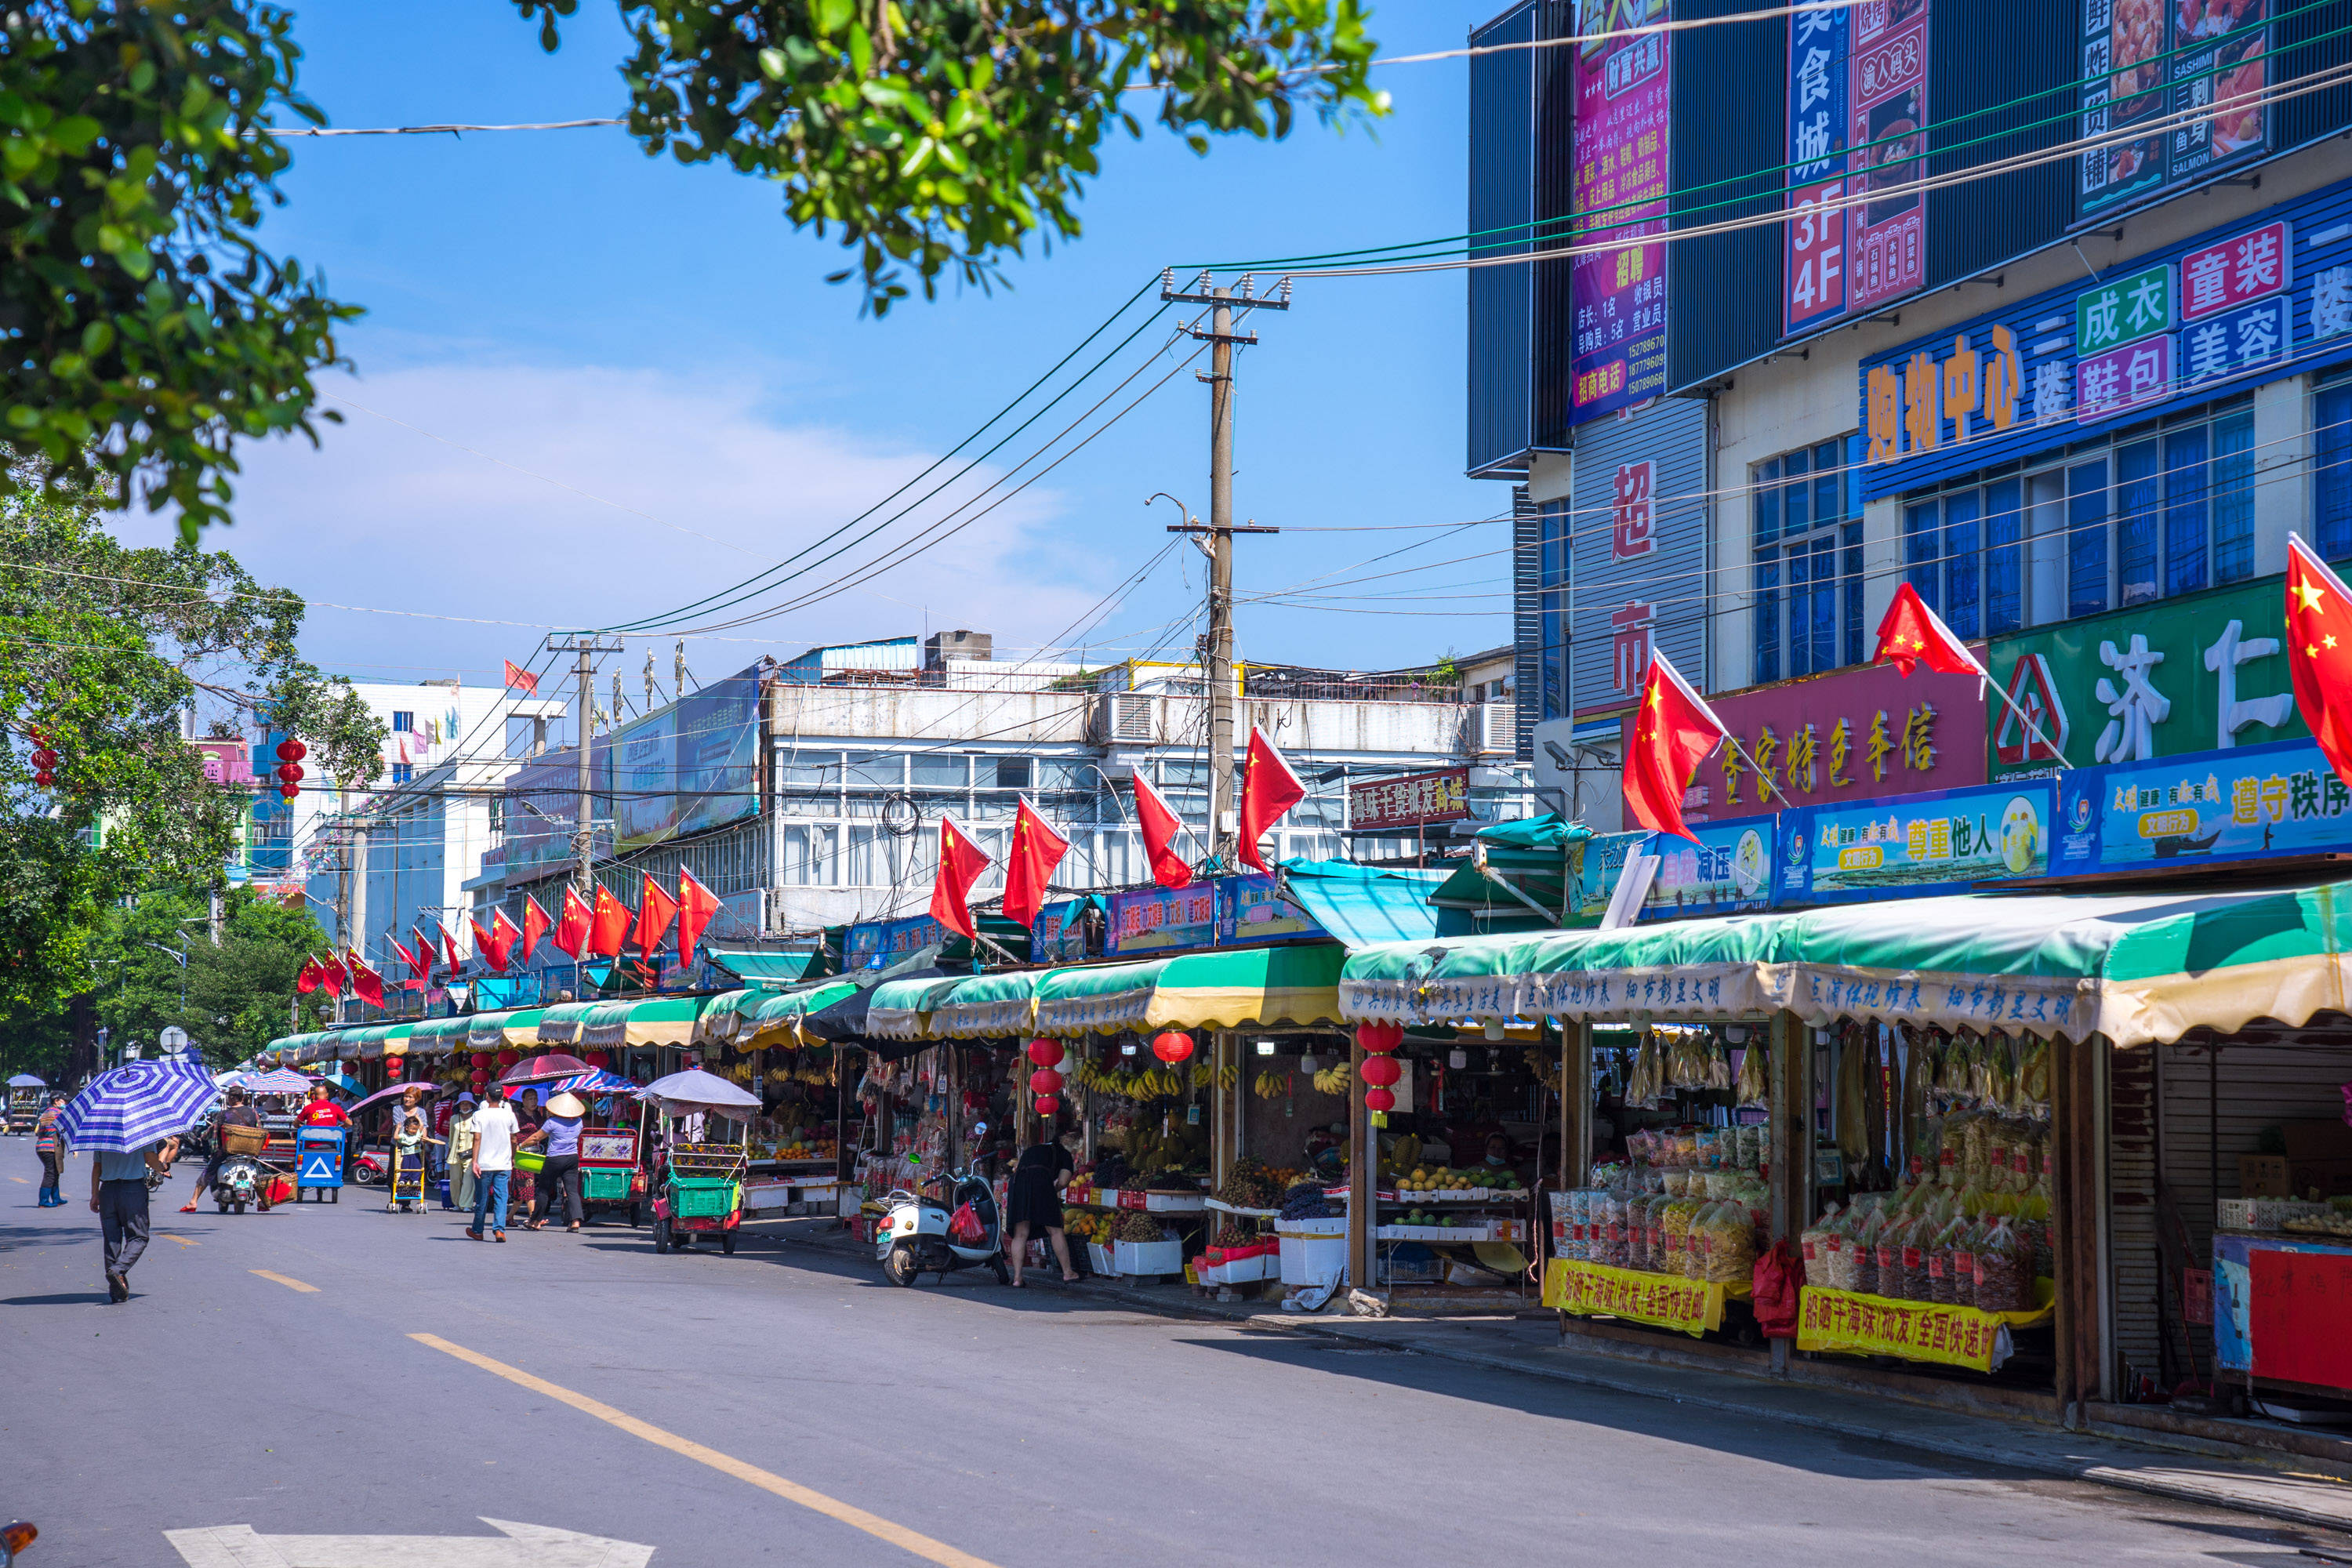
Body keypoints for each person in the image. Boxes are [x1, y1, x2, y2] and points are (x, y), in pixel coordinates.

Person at [90, 1133, 177, 1302]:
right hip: (133, 1190)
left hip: (107, 1190)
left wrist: (95, 1194)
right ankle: (118, 1270)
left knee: (112, 1240)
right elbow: (151, 1159)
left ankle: (117, 1291)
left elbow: (97, 1168)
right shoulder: (141, 1133)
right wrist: (162, 1167)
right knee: (139, 1237)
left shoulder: (102, 1136)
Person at [1003, 1124, 1079, 1287]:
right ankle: (1068, 1273)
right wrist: (1053, 1190)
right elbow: (1064, 1181)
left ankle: (1017, 1278)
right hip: (1040, 1182)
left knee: (1020, 1233)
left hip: (1017, 1183)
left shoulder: (1035, 1149)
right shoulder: (1064, 1154)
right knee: (1055, 1230)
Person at [180, 1087, 268, 1214]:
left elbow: (213, 1130)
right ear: (242, 1098)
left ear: (230, 1099)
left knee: (208, 1172)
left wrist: (203, 1138)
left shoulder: (224, 1114)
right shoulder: (253, 1113)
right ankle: (261, 1201)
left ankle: (193, 1201)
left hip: (228, 1152)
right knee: (259, 1174)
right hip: (249, 1151)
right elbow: (259, 1130)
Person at [521, 1091, 586, 1232]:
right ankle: (575, 1222)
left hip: (555, 1159)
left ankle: (535, 1221)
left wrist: (520, 1146)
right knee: (572, 1191)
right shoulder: (579, 1122)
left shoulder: (552, 1123)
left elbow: (535, 1138)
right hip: (572, 1158)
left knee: (543, 1190)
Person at [466, 1082, 521, 1242]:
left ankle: (477, 1230)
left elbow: (477, 1138)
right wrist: (512, 1156)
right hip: (503, 1163)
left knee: (482, 1198)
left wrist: (474, 1161)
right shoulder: (510, 1115)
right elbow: (514, 1138)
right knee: (501, 1197)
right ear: (502, 1096)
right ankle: (499, 1230)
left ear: (487, 1096)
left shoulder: (479, 1115)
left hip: (484, 1163)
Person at [390, 1114, 441, 1213]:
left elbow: (422, 1127)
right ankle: (403, 1180)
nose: (414, 1131)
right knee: (405, 1167)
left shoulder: (417, 1135)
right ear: (407, 1128)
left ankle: (415, 1180)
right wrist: (398, 1128)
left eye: (415, 1129)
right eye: (412, 1129)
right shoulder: (404, 1136)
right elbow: (396, 1137)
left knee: (416, 1167)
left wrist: (418, 1118)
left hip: (416, 1155)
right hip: (406, 1155)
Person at [443, 1092, 478, 1212]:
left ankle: (466, 1204)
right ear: (459, 1105)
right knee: (455, 1180)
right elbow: (451, 1137)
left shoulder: (476, 1118)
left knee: (468, 1179)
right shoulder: (454, 1118)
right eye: (463, 1104)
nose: (465, 1106)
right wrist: (448, 1152)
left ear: (472, 1105)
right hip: (455, 1153)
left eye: (468, 1104)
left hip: (470, 1154)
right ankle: (457, 1203)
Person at [34, 1093, 66, 1207]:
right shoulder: (57, 1113)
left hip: (41, 1146)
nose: (65, 1103)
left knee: (55, 1172)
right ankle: (43, 1201)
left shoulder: (46, 1112)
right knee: (50, 1173)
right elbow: (55, 1130)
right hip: (49, 1147)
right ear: (56, 1101)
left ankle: (56, 1198)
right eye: (63, 1101)